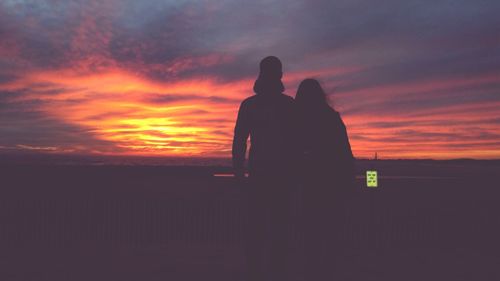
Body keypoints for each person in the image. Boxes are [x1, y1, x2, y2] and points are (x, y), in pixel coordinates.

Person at [232, 56, 297, 281]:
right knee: (274, 227)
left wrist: (239, 173)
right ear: (279, 75)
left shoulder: (250, 105)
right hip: (276, 176)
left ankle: (259, 270)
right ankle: (270, 270)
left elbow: (239, 142)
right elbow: (239, 141)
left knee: (261, 227)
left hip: (264, 175)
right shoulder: (288, 105)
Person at [295, 78, 355, 280]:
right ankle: (326, 270)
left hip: (309, 185)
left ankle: (310, 270)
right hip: (332, 185)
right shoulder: (332, 118)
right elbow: (346, 156)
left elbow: (292, 153)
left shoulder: (297, 119)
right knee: (329, 234)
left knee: (310, 234)